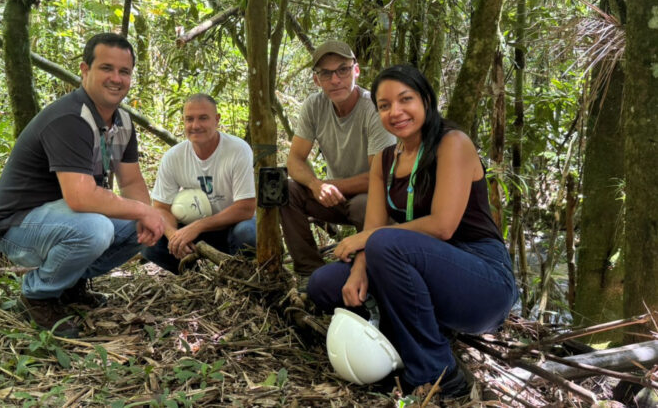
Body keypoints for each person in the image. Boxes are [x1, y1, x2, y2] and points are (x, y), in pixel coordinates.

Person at [307, 65, 518, 398]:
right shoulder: (385, 160)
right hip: (420, 271)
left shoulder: (453, 143)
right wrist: (359, 269)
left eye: (406, 100)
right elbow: (375, 227)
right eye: (385, 105)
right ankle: (398, 339)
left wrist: (366, 239)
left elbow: (442, 225)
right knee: (324, 285)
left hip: (482, 282)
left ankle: (440, 374)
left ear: (426, 100)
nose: (396, 112)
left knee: (387, 243)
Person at [0, 33, 165, 338]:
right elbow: (81, 197)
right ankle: (38, 294)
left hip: (63, 219)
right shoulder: (70, 117)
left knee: (142, 227)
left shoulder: (122, 121)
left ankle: (68, 284)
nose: (116, 78)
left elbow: (132, 181)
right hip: (19, 226)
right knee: (97, 229)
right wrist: (140, 210)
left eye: (124, 72)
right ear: (85, 70)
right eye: (106, 68)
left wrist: (147, 217)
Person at [280, 40, 394, 283]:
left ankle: (370, 273)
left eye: (343, 69)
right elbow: (295, 160)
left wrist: (331, 185)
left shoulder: (372, 108)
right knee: (287, 190)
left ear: (356, 70)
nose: (335, 80)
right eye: (326, 73)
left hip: (373, 197)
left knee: (363, 205)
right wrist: (315, 185)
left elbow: (379, 175)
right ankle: (309, 272)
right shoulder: (315, 105)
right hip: (334, 197)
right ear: (316, 80)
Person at [141, 94, 256, 274]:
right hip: (193, 230)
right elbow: (161, 207)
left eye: (203, 118)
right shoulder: (174, 156)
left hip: (232, 227)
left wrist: (198, 226)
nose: (195, 125)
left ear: (216, 120)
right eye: (189, 119)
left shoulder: (237, 150)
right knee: (150, 239)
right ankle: (193, 276)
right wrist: (175, 237)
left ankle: (237, 277)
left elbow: (246, 208)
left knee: (248, 233)